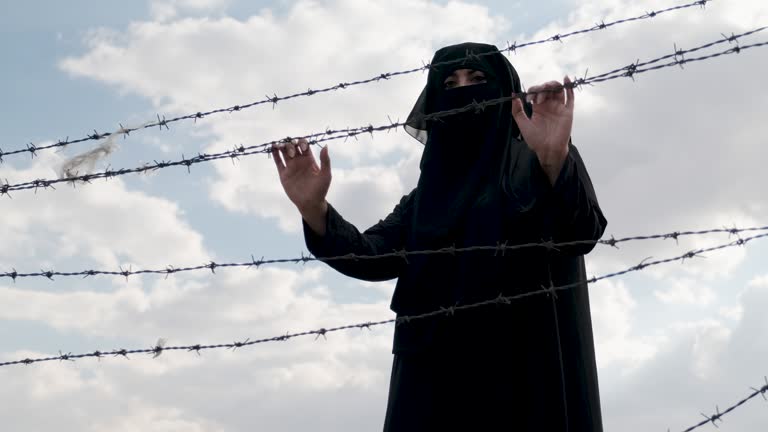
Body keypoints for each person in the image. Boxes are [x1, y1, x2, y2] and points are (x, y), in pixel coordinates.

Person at [271, 42, 607, 431]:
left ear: (505, 92)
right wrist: (314, 209)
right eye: (449, 83)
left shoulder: (536, 161)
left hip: (523, 376)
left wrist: (554, 158)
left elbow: (580, 232)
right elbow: (372, 255)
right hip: (432, 381)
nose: (465, 92)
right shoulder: (426, 195)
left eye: (478, 79)